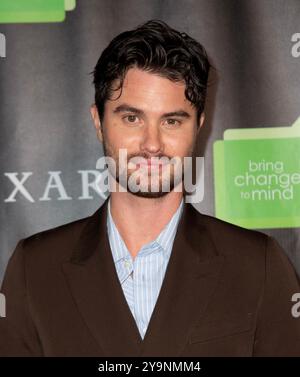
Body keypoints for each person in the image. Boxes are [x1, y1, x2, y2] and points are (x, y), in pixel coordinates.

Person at [1, 19, 300, 357]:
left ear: (199, 126)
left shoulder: (257, 266)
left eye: (172, 121)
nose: (152, 144)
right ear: (99, 122)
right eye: (132, 118)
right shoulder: (35, 270)